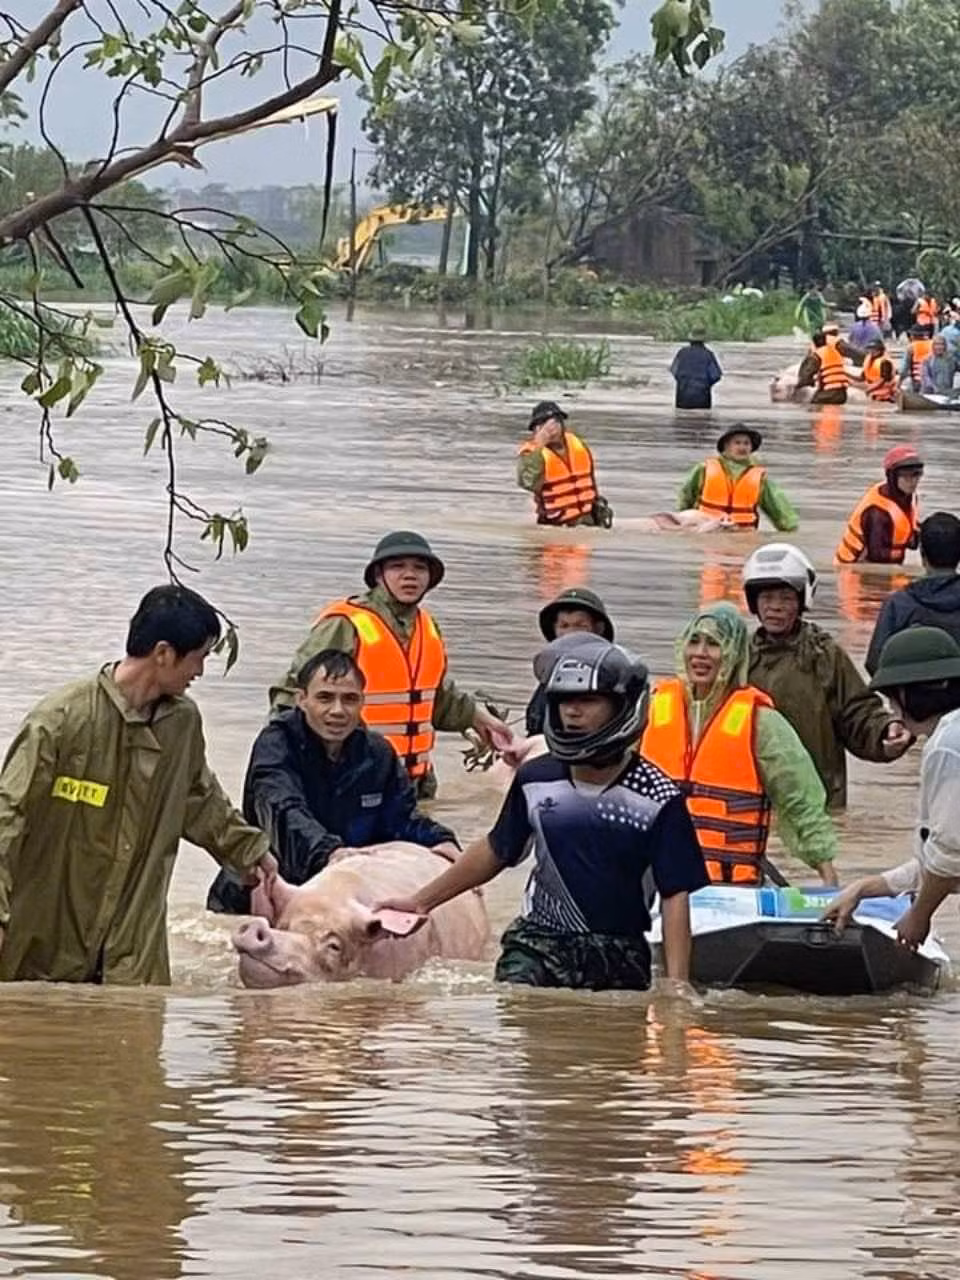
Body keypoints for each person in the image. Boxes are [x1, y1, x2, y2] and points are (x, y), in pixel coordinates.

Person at [376, 634, 709, 991]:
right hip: (537, 942)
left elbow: (675, 895)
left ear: (622, 706)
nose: (572, 711)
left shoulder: (658, 797)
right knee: (523, 1016)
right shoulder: (535, 777)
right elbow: (497, 850)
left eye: (587, 700)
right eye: (564, 700)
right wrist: (419, 902)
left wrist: (677, 987)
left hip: (617, 951)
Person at [0, 584, 275, 984]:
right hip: (46, 938)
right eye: (197, 658)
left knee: (134, 1039)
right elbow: (8, 814)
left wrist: (251, 852)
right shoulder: (61, 720)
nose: (199, 671)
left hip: (133, 951)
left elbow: (198, 798)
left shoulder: (182, 723)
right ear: (163, 654)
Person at [208, 650, 460, 914]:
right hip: (258, 896)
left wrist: (441, 840)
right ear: (301, 700)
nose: (337, 711)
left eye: (349, 699)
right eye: (325, 698)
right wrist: (329, 853)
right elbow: (283, 809)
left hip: (337, 897)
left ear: (363, 702)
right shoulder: (277, 745)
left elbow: (401, 820)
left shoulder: (378, 754)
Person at [270, 530, 512, 799]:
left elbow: (437, 698)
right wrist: (280, 765)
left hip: (414, 785)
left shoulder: (427, 627)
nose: (410, 575)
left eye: (419, 568)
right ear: (378, 575)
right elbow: (294, 692)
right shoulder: (345, 623)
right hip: (350, 781)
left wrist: (482, 721)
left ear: (430, 578)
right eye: (398, 566)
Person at [641, 601, 838, 886]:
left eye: (713, 644)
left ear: (733, 653)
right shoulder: (652, 709)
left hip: (728, 885)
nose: (700, 653)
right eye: (694, 642)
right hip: (653, 879)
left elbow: (800, 799)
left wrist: (827, 874)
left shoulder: (762, 722)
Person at [743, 543, 912, 808]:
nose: (774, 607)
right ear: (754, 602)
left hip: (815, 803)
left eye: (785, 598)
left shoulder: (824, 655)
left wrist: (884, 732)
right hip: (749, 802)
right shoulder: (738, 658)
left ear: (801, 600)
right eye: (766, 598)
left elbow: (858, 711)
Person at [824, 628, 960, 947]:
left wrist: (919, 915)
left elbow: (949, 853)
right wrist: (864, 888)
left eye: (891, 700)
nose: (893, 712)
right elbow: (938, 854)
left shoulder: (947, 746)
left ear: (910, 694)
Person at [866, 512, 960, 675]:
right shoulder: (899, 604)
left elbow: (875, 663)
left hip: (912, 697)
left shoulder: (899, 605)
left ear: (922, 555)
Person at [525, 587, 615, 736]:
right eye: (564, 626)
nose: (571, 633)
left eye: (581, 626)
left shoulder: (610, 674)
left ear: (598, 629)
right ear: (554, 630)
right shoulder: (550, 675)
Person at [678, 425, 798, 532]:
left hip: (742, 533)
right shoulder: (704, 468)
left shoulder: (759, 477)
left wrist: (790, 528)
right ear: (726, 446)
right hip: (706, 530)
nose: (742, 447)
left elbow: (778, 506)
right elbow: (686, 496)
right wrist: (683, 521)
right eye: (737, 443)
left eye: (746, 443)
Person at [516, 400, 612, 528]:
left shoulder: (577, 444)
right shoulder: (531, 452)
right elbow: (527, 482)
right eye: (544, 424)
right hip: (557, 526)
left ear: (562, 424)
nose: (551, 429)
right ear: (536, 429)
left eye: (555, 422)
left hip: (590, 522)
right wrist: (539, 446)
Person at [834, 444, 922, 565]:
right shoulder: (877, 511)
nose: (913, 481)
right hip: (853, 569)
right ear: (892, 476)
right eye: (906, 475)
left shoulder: (910, 498)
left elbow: (913, 541)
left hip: (886, 564)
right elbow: (877, 556)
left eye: (917, 474)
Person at [669, 328, 723, 409]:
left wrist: (684, 382)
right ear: (703, 341)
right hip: (703, 398)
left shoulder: (682, 353)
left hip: (683, 398)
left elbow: (674, 371)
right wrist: (705, 385)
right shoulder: (708, 354)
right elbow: (716, 376)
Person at [860, 337, 898, 402]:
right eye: (870, 349)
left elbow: (883, 380)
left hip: (885, 396)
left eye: (875, 349)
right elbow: (861, 378)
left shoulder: (885, 362)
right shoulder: (869, 361)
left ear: (881, 350)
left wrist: (868, 390)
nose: (872, 351)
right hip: (873, 394)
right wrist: (845, 375)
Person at [899, 325, 934, 392]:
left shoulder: (911, 347)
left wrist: (899, 383)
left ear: (912, 336)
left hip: (917, 380)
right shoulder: (932, 344)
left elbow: (904, 369)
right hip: (932, 379)